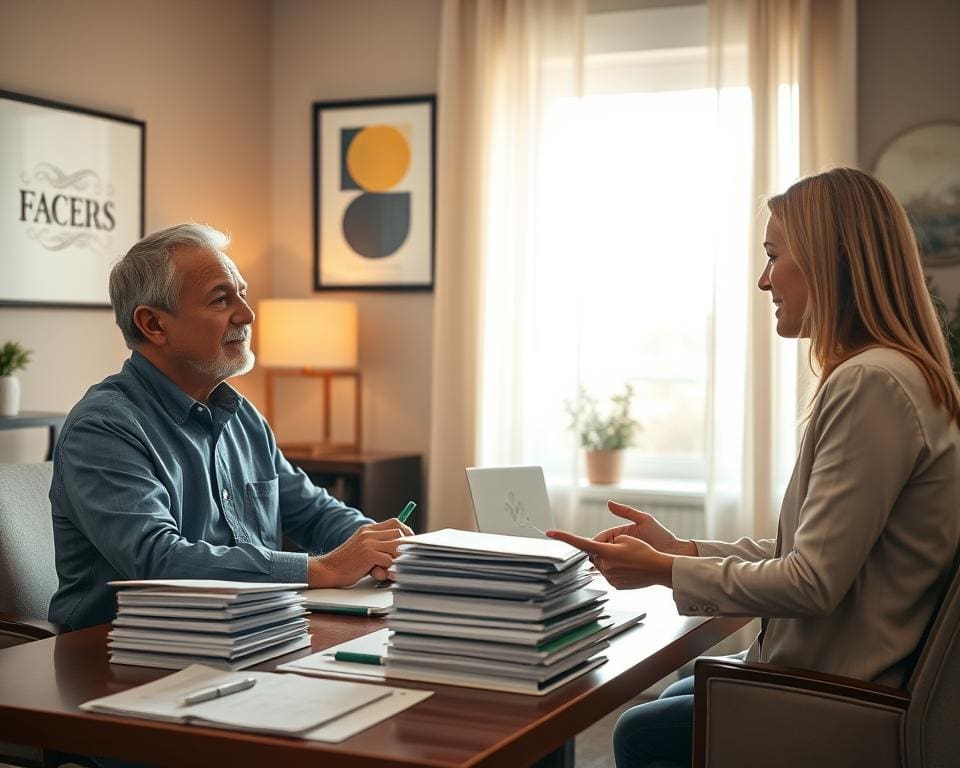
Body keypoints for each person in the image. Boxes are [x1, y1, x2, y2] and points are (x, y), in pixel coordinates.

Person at [547, 168, 960, 768]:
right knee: (674, 698)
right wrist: (683, 547)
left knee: (641, 732)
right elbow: (812, 549)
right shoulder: (898, 374)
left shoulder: (871, 383)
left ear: (831, 259)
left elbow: (811, 581)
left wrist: (664, 570)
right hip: (843, 667)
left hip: (839, 691)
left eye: (774, 256)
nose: (763, 279)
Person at [48, 223, 411, 631]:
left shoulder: (242, 416)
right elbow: (158, 559)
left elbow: (312, 513)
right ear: (154, 324)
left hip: (251, 635)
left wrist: (380, 547)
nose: (247, 314)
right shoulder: (103, 428)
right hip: (122, 653)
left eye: (242, 293)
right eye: (221, 300)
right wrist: (322, 569)